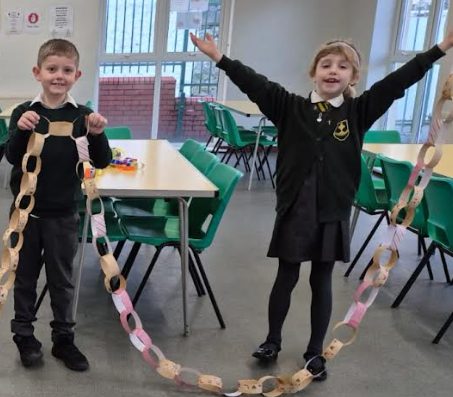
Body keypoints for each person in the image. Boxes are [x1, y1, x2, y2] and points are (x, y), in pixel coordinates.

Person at [190, 30, 453, 380]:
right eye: (326, 65)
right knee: (286, 275)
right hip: (295, 208)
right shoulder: (289, 107)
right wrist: (218, 57)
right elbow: (254, 82)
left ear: (353, 77)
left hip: (332, 211)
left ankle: (315, 353)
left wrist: (443, 47)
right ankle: (272, 340)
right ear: (313, 72)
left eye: (342, 67)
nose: (333, 71)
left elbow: (397, 81)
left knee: (322, 279)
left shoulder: (359, 112)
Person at [5, 39, 111, 372]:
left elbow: (102, 160)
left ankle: (63, 339)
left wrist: (97, 133)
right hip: (26, 214)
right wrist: (21, 132)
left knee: (62, 280)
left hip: (64, 213)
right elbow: (12, 157)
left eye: (66, 70)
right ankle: (24, 336)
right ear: (38, 73)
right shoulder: (26, 113)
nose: (58, 76)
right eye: (52, 69)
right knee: (24, 278)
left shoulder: (81, 116)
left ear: (76, 75)